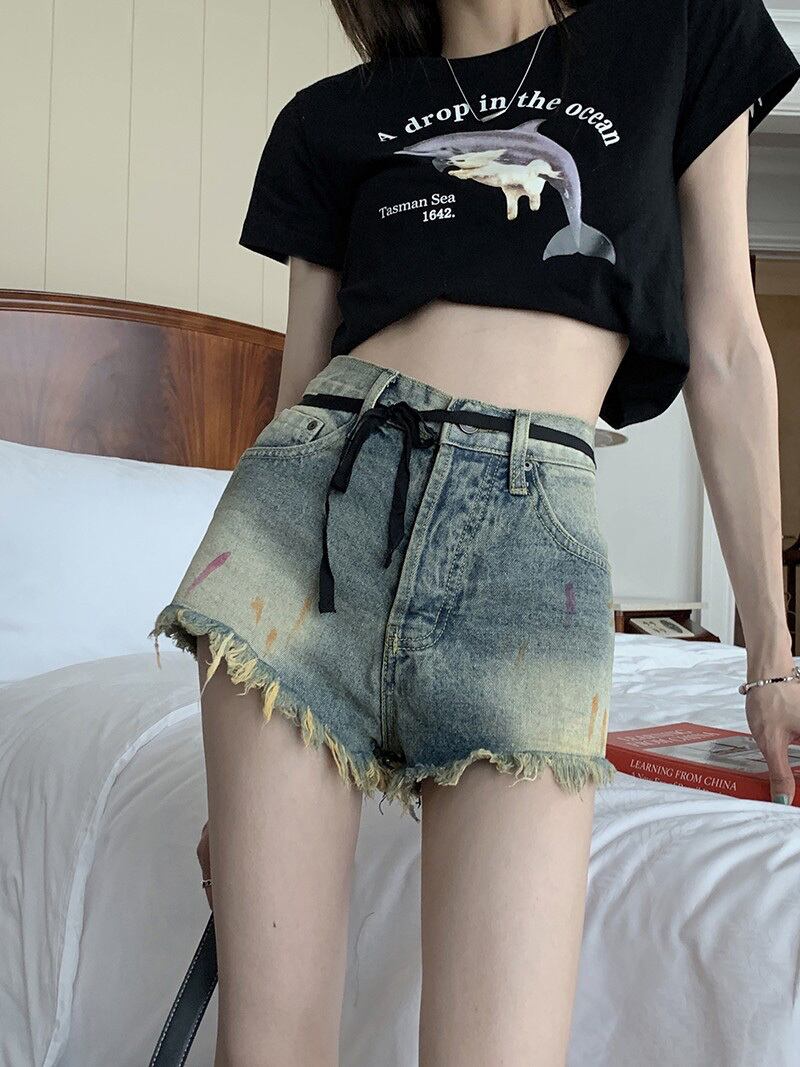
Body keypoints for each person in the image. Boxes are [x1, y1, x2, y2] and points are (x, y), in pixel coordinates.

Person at [149, 0, 800, 1063]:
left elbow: (726, 344)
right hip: (307, 524)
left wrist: (768, 658)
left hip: (528, 542)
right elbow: (297, 393)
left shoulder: (677, 30)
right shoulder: (328, 117)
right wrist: (246, 789)